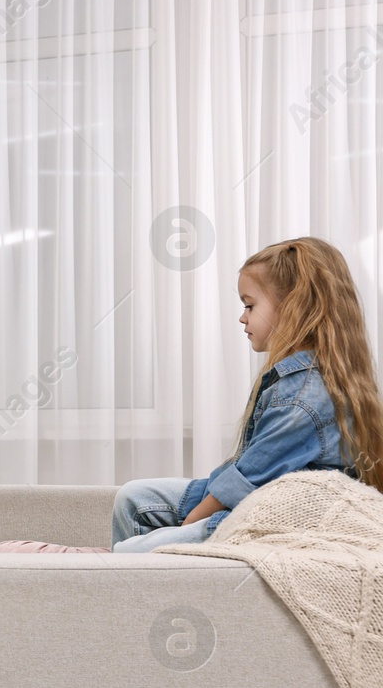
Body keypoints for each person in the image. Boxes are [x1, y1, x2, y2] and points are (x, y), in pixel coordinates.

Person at [111, 236, 383, 553]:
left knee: (136, 551)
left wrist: (190, 523)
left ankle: (137, 582)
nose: (243, 317)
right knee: (133, 498)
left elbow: (248, 481)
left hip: (273, 519)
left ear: (295, 308)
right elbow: (240, 473)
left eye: (250, 305)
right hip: (256, 501)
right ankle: (136, 592)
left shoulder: (305, 395)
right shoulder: (295, 378)